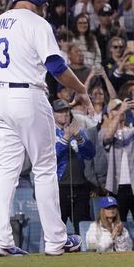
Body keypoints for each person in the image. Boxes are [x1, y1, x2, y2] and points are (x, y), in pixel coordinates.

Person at [0, 0, 90, 257]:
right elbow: (56, 66)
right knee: (44, 168)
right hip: (26, 94)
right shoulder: (36, 22)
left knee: (7, 169)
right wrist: (81, 89)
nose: (48, 2)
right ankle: (56, 240)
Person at [53, 98, 95, 235]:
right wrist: (65, 138)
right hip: (59, 187)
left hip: (80, 186)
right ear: (52, 114)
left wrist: (79, 139)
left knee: (83, 228)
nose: (64, 114)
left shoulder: (78, 131)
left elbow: (90, 154)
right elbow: (51, 158)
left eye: (66, 111)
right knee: (57, 228)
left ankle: (82, 248)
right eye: (60, 111)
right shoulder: (49, 132)